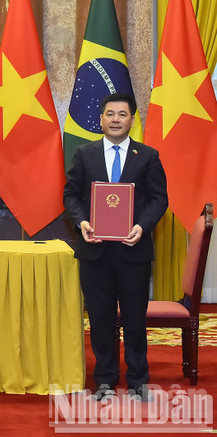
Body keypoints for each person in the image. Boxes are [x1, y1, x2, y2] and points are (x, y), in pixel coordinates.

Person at [63, 93, 168, 401]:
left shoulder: (147, 156)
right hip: (95, 252)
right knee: (100, 319)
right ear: (101, 119)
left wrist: (142, 226)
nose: (116, 119)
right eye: (110, 114)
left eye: (122, 114)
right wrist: (82, 222)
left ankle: (138, 381)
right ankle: (105, 380)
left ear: (131, 120)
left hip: (133, 252)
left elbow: (159, 199)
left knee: (135, 319)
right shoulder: (84, 154)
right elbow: (71, 195)